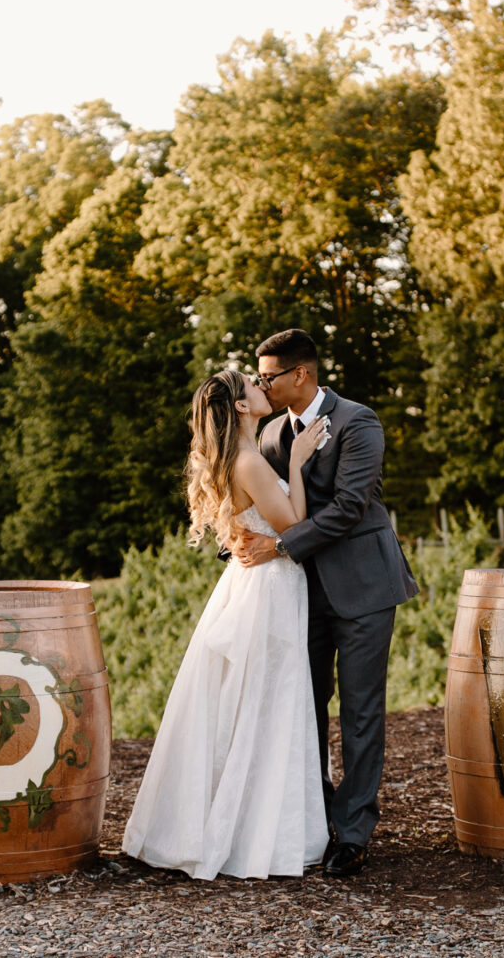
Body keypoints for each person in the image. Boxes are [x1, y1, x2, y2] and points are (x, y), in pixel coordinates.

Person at [120, 370, 329, 879]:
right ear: (240, 406)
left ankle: (246, 824)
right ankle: (256, 835)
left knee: (251, 701)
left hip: (251, 582)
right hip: (269, 589)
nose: (262, 386)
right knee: (268, 701)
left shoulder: (240, 457)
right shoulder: (251, 461)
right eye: (253, 384)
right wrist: (297, 463)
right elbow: (294, 526)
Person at [228, 328, 417, 878]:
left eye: (268, 376)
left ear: (300, 374)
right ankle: (314, 818)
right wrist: (237, 539)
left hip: (363, 588)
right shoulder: (270, 434)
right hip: (298, 594)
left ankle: (353, 834)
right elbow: (262, 500)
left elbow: (351, 506)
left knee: (360, 713)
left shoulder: (358, 422)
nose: (261, 384)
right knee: (302, 709)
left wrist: (280, 546)